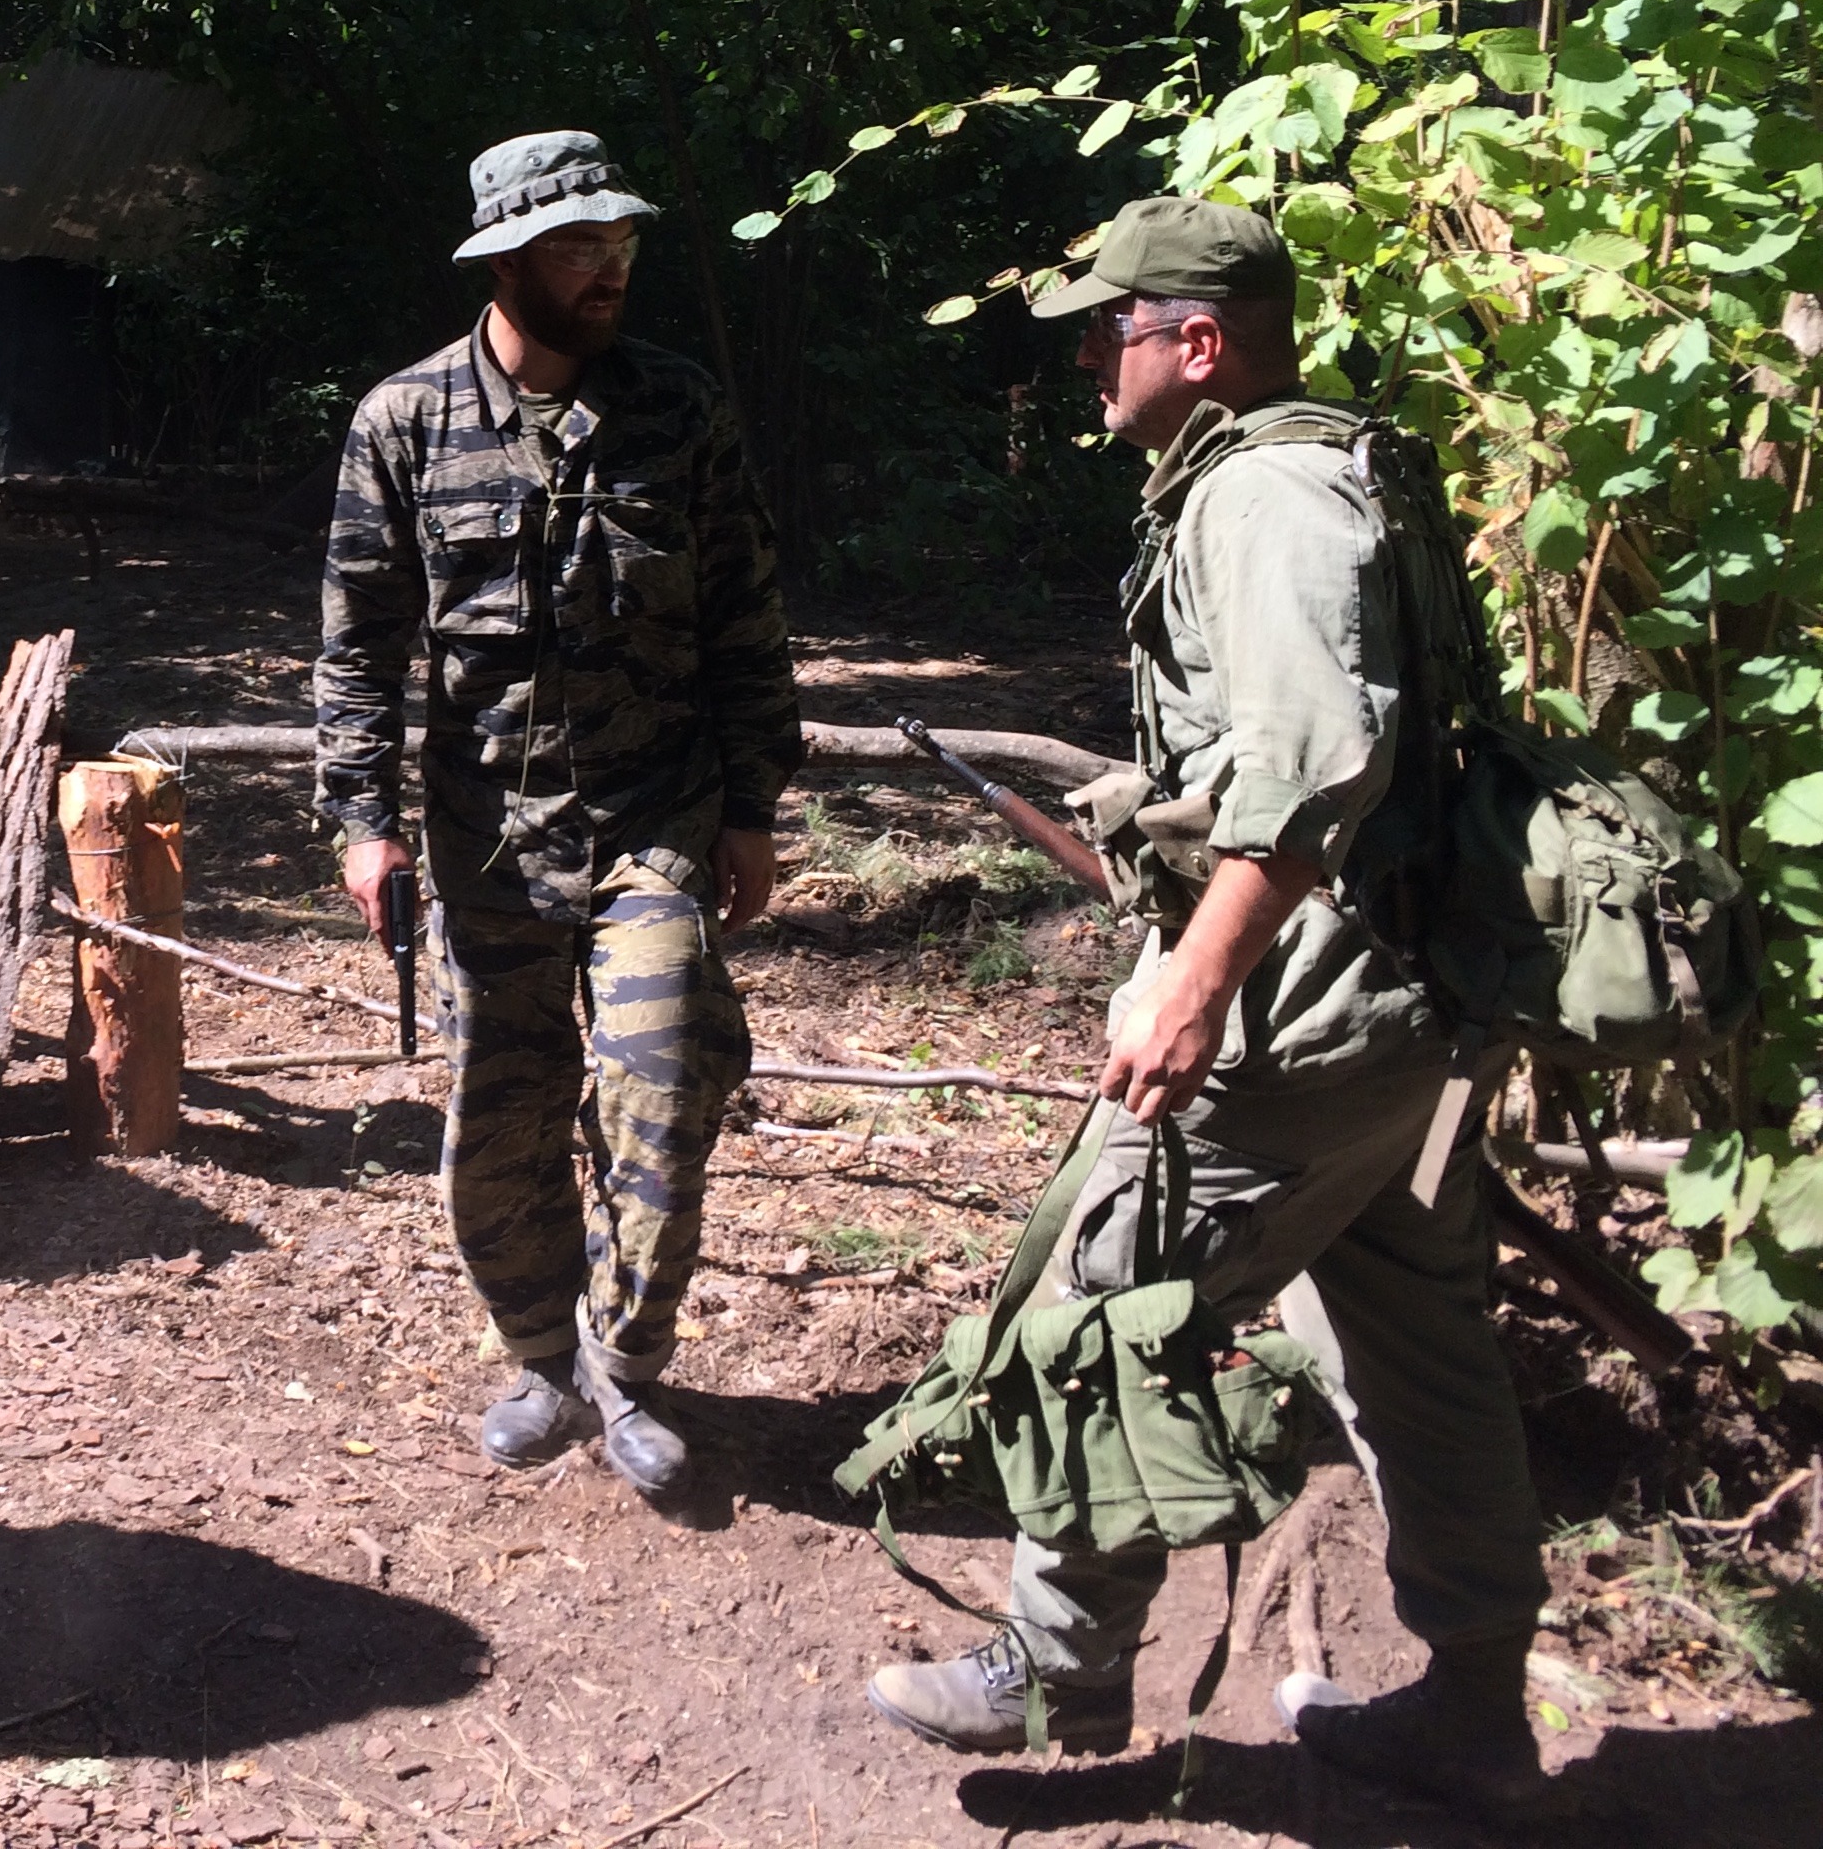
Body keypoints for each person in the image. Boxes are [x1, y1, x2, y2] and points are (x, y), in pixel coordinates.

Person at [863, 196, 1549, 1816]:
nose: (1086, 364)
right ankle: (1478, 1711)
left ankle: (1058, 1668)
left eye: (1106, 333)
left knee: (1111, 1296)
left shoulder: (1267, 496)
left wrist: (1195, 976)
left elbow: (1316, 760)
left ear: (1197, 339)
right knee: (1416, 1346)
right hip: (1403, 1001)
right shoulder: (1326, 467)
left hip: (1304, 1016)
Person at [314, 129, 797, 1512]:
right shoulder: (404, 422)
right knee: (500, 1121)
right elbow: (359, 644)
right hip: (489, 844)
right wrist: (363, 821)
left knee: (662, 1085)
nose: (610, 270)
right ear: (507, 262)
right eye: (581, 248)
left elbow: (746, 613)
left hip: (657, 822)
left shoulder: (678, 410)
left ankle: (628, 1364)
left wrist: (752, 805)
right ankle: (544, 1357)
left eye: (621, 243)